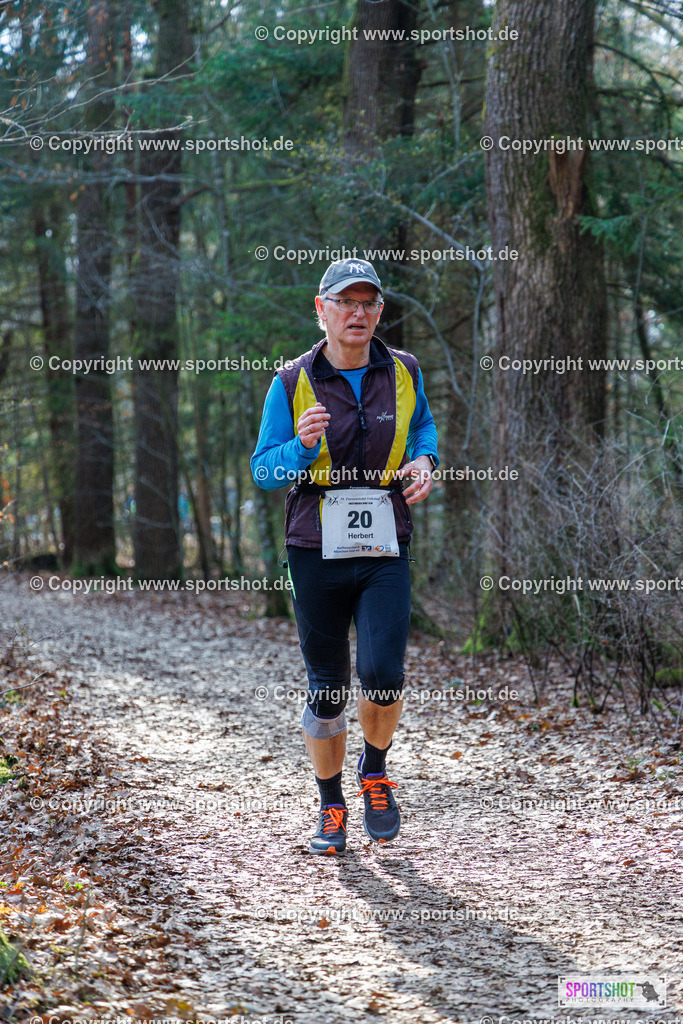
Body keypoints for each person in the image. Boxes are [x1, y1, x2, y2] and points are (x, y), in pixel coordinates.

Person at [251, 258, 438, 855]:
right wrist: (302, 448)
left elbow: (424, 428)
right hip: (315, 545)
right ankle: (330, 804)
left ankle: (374, 770)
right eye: (345, 302)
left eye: (368, 303)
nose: (358, 313)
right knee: (327, 688)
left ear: (380, 312)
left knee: (383, 673)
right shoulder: (290, 382)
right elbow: (262, 470)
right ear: (321, 309)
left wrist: (425, 460)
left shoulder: (404, 370)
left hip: (386, 542)